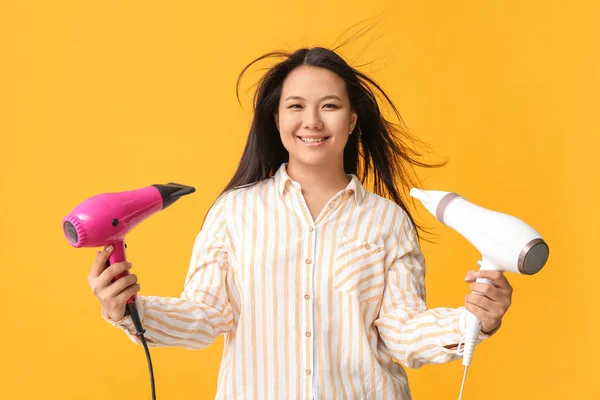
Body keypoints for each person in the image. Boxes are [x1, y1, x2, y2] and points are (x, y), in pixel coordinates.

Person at [87, 46, 513, 399]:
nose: (312, 121)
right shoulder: (233, 213)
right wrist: (126, 309)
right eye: (296, 106)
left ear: (351, 121)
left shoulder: (387, 223)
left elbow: (402, 333)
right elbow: (205, 315)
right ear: (277, 120)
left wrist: (476, 320)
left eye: (329, 106)